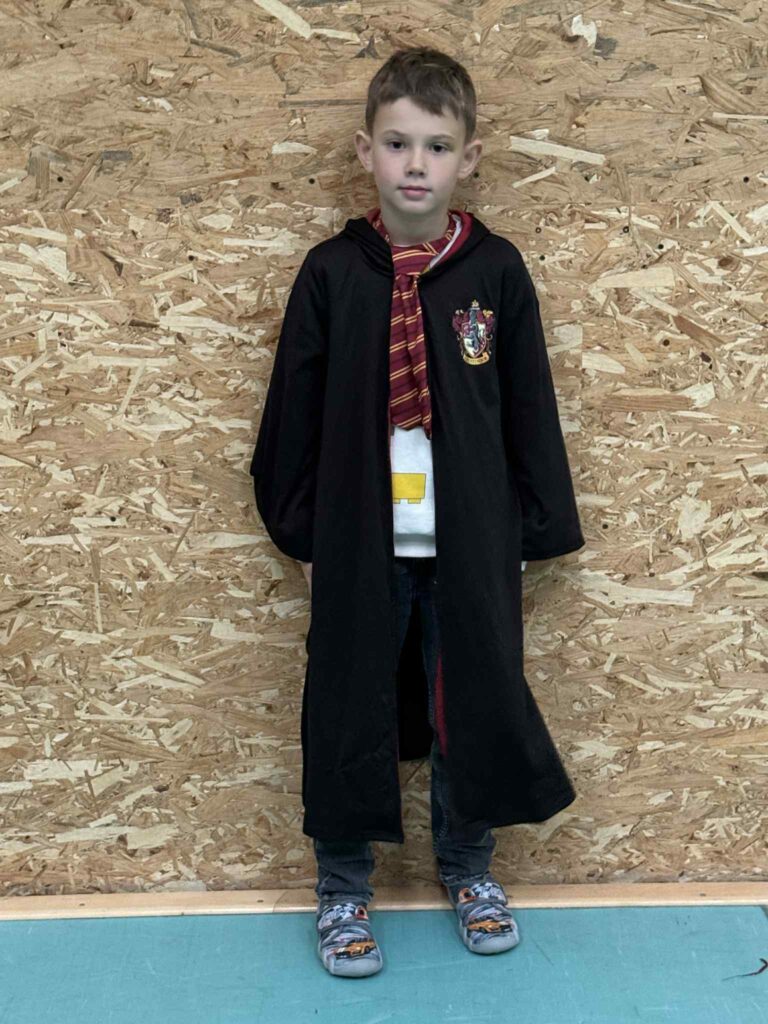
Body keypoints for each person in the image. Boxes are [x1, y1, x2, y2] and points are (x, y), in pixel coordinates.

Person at [250, 47, 585, 978]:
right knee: (346, 702)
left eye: (436, 146)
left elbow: (527, 406)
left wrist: (528, 530)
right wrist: (305, 531)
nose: (414, 164)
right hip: (359, 542)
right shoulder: (332, 274)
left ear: (467, 159)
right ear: (365, 150)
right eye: (397, 143)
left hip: (467, 543)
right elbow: (293, 413)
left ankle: (468, 870)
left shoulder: (495, 273)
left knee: (470, 700)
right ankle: (342, 888)